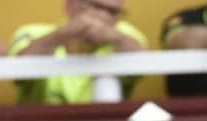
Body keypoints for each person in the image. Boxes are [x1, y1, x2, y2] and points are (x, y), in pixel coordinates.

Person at [9, 0, 148, 105]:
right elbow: (19, 70)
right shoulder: (33, 33)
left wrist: (116, 37)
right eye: (98, 7)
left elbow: (144, 64)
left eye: (114, 12)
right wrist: (65, 32)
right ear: (71, 5)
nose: (106, 17)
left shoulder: (125, 36)